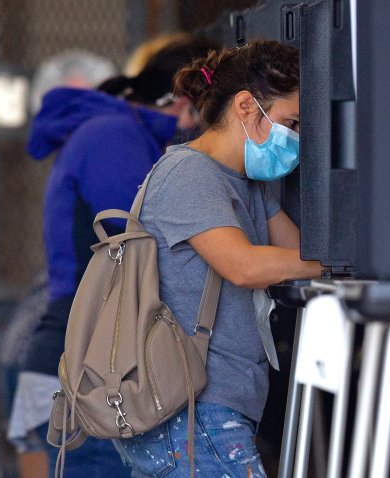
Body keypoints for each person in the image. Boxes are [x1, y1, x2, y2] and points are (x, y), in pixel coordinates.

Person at [9, 35, 217, 477]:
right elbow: (140, 244)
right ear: (185, 100)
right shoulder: (112, 136)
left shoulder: (112, 132)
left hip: (79, 362)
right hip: (87, 369)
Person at [112, 39, 322, 478]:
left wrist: (321, 259)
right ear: (247, 106)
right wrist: (336, 265)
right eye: (291, 122)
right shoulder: (189, 174)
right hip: (193, 412)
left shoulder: (244, 182)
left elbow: (296, 249)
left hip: (211, 409)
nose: (296, 138)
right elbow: (244, 266)